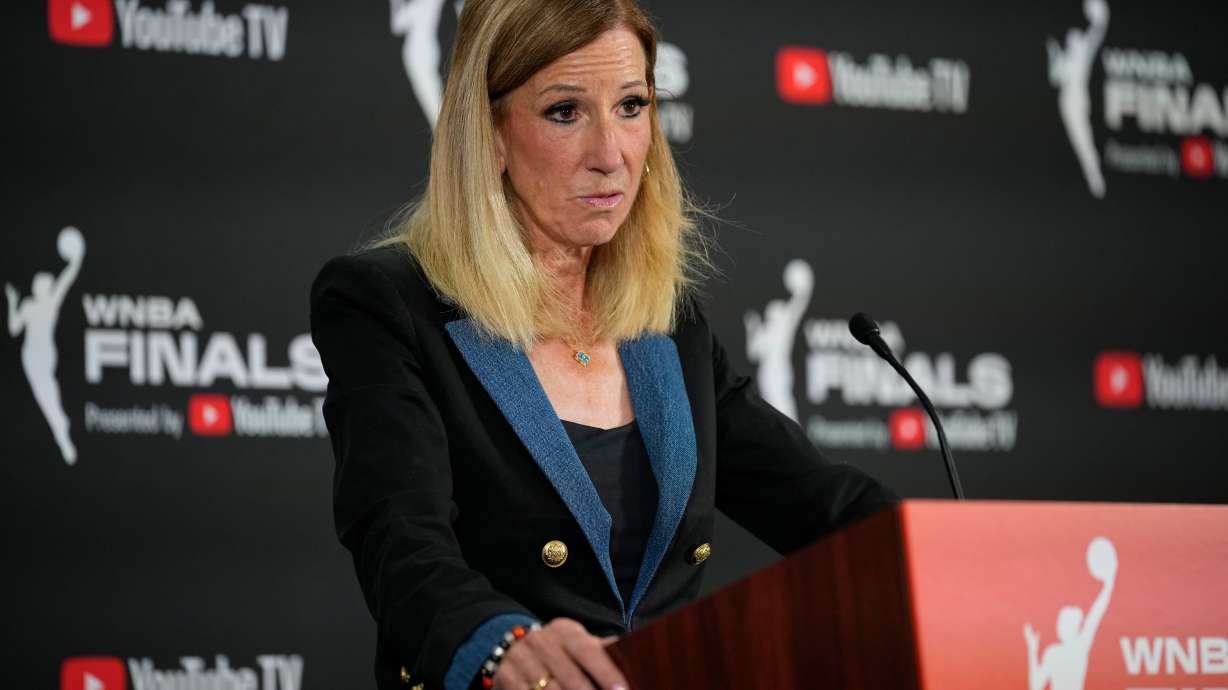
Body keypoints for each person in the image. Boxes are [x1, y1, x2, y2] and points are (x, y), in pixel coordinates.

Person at [308, 1, 897, 689]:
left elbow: (820, 502)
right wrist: (499, 646)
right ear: (490, 134)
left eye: (631, 106)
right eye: (565, 112)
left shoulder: (665, 321)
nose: (610, 155)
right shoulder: (387, 304)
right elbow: (400, 541)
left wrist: (960, 558)